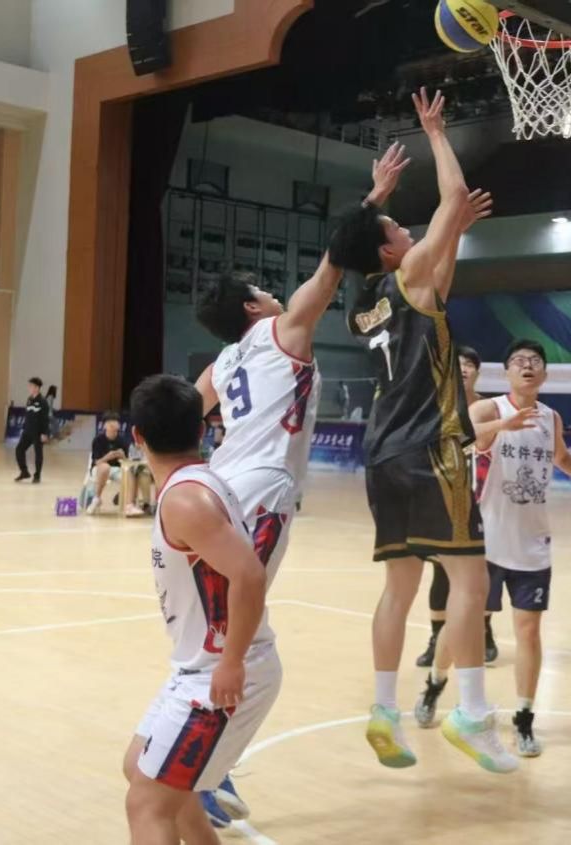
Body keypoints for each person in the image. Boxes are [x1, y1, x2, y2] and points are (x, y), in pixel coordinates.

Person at [189, 142, 411, 825]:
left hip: (217, 490)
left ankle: (206, 766)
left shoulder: (222, 363)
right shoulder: (284, 330)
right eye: (262, 287)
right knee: (240, 651)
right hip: (261, 493)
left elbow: (179, 414)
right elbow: (335, 262)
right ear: (254, 306)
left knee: (238, 643)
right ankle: (196, 771)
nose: (273, 290)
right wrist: (373, 199)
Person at [334, 87, 516, 774]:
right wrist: (436, 133)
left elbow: (437, 267)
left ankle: (384, 711)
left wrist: (440, 224)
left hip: (382, 455)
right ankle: (471, 712)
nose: (410, 232)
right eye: (397, 228)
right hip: (431, 448)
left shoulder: (362, 304)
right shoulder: (407, 273)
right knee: (471, 582)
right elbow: (453, 195)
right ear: (388, 250)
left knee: (400, 587)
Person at [415, 339, 571, 757]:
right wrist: (504, 426)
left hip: (532, 543)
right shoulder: (490, 409)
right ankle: (435, 684)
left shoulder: (551, 418)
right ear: (507, 372)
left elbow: (564, 459)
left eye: (535, 361)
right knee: (461, 624)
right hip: (484, 541)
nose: (528, 366)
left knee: (529, 631)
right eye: (519, 361)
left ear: (545, 374)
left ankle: (524, 717)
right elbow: (456, 433)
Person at [121, 374, 275, 845]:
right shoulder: (196, 484)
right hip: (199, 667)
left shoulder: (186, 499)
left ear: (137, 436)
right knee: (139, 766)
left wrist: (231, 663)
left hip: (221, 674)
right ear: (204, 429)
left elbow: (249, 575)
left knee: (148, 803)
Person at [416, 345, 498, 668]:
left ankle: (484, 631)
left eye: (469, 364)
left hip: (483, 497)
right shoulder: (435, 406)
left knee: (483, 570)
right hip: (444, 497)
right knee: (441, 569)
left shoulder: (490, 409)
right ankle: (437, 637)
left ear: (478, 371)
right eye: (458, 364)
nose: (463, 368)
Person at [87, 412, 141, 516]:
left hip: (117, 469)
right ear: (104, 426)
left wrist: (123, 457)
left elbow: (128, 462)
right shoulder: (98, 440)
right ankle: (97, 498)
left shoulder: (123, 441)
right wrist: (108, 457)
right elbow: (97, 462)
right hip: (99, 468)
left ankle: (129, 505)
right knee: (105, 467)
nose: (112, 425)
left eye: (115, 422)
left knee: (130, 473)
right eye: (109, 423)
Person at [14, 377, 50, 483]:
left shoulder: (43, 401)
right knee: (19, 449)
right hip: (28, 431)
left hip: (38, 432)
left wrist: (44, 433)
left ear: (37, 388)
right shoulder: (29, 399)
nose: (29, 388)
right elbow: (28, 415)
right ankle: (24, 472)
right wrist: (24, 428)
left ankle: (37, 475)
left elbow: (45, 419)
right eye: (29, 386)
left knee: (38, 454)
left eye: (31, 386)